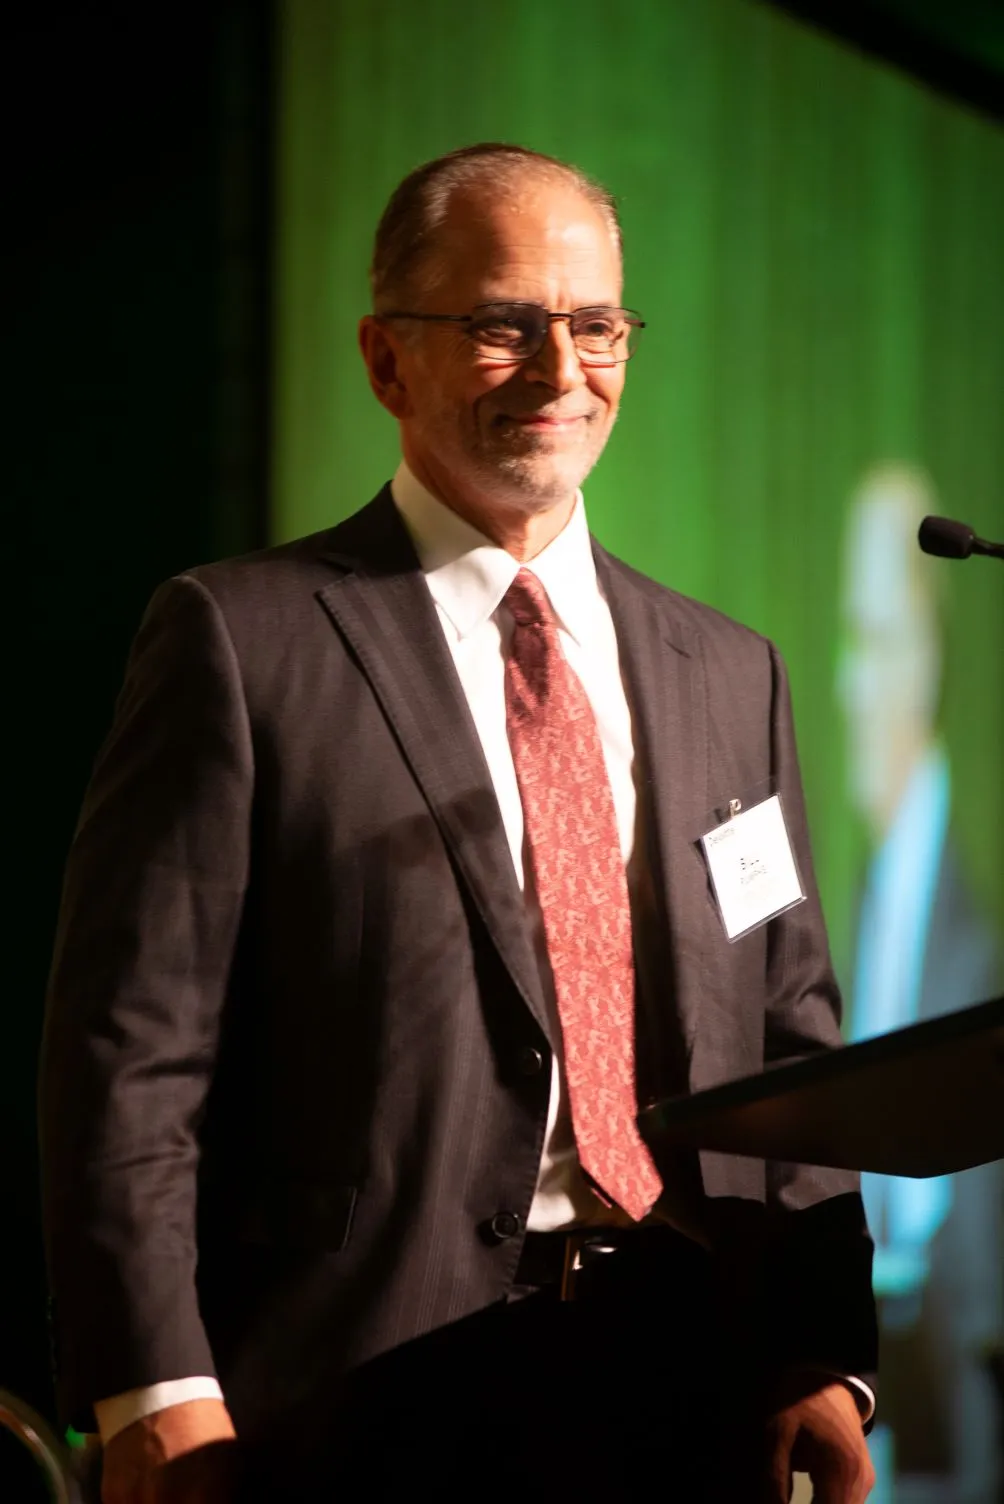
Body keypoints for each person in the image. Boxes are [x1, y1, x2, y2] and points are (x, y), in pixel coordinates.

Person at [40, 143, 877, 1503]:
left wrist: (826, 1356)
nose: (561, 371)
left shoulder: (732, 672)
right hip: (352, 1405)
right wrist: (156, 1387)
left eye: (595, 325)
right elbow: (130, 1054)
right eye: (503, 325)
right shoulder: (240, 642)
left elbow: (794, 1043)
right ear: (386, 362)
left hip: (691, 1391)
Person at [839, 464, 1001, 1498]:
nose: (855, 683)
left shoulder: (975, 901)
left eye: (881, 640)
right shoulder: (871, 883)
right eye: (849, 640)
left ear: (933, 653)